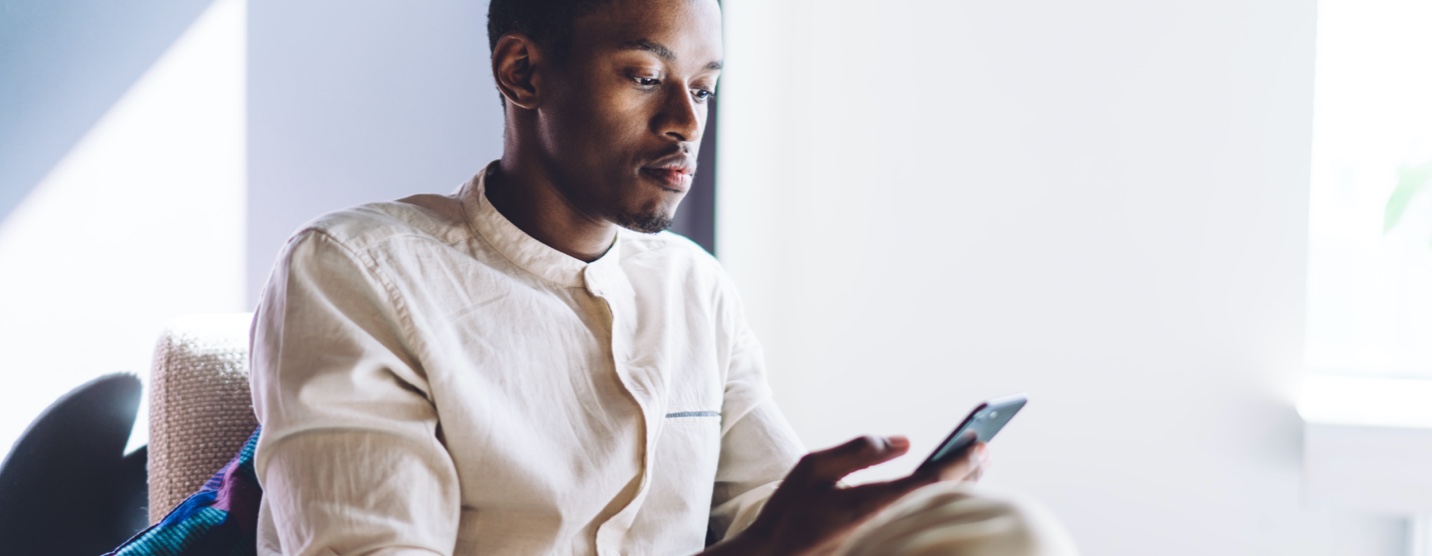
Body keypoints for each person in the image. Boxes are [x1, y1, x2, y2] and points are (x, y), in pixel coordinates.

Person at [248, 0, 1079, 554]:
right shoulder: (355, 271)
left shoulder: (694, 290)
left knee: (1002, 529)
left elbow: (762, 509)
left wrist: (870, 516)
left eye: (705, 90)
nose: (687, 122)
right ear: (523, 74)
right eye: (647, 77)